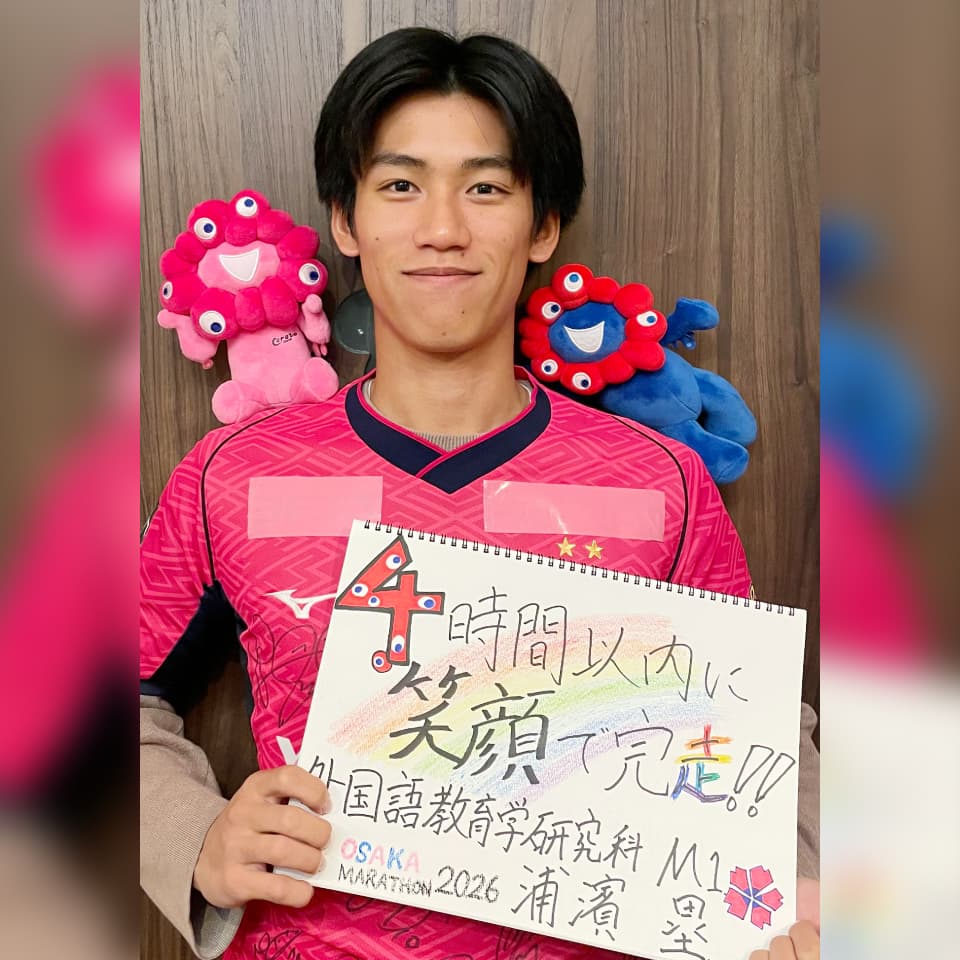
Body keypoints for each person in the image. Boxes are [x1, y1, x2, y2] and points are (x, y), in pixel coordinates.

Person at [141, 27, 820, 960]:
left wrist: (792, 907)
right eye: (400, 185)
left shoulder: (659, 482)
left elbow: (760, 728)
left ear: (544, 225)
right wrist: (195, 839)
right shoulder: (232, 474)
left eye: (487, 188)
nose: (443, 228)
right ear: (345, 219)